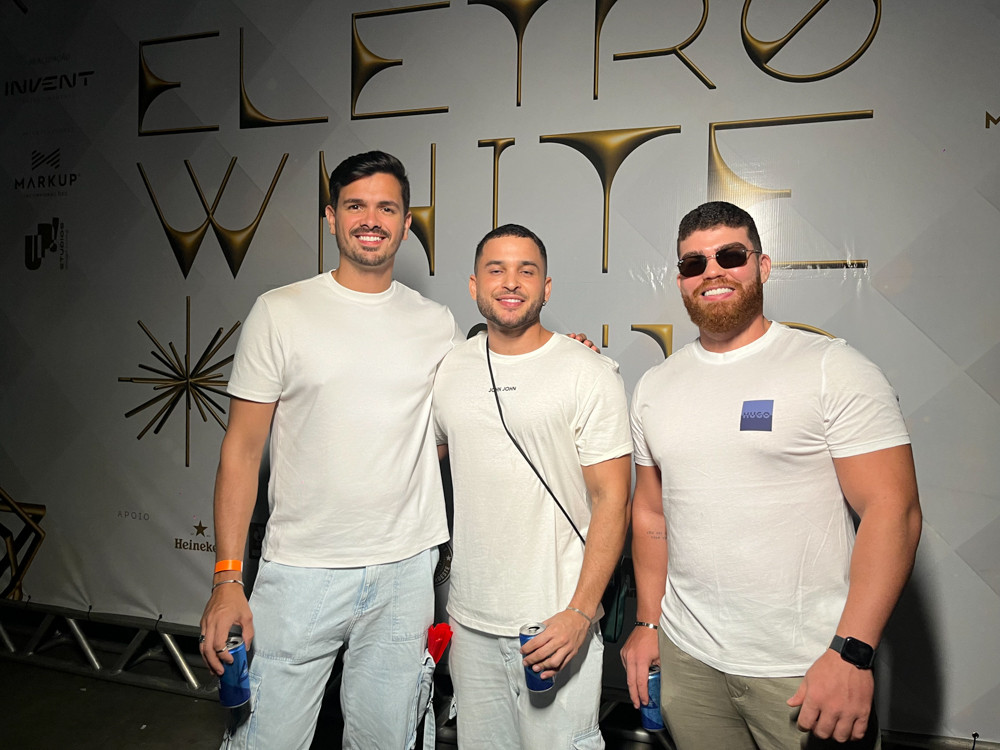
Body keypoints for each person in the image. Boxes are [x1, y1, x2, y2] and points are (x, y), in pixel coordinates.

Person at [621, 201, 922, 749]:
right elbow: (650, 512)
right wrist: (647, 623)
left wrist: (852, 652)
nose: (712, 271)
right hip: (689, 661)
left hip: (807, 669)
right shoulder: (654, 387)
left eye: (730, 256)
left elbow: (893, 511)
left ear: (762, 266)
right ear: (681, 279)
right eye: (693, 263)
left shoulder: (832, 368)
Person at [197, 151, 461, 749]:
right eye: (355, 205)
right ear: (331, 217)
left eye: (386, 208)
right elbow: (241, 451)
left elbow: (453, 428)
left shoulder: (437, 322)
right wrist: (227, 579)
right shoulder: (280, 311)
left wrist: (560, 359)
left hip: (405, 570)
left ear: (407, 223)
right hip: (301, 569)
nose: (371, 219)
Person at [432, 223, 633, 748]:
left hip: (556, 622)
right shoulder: (448, 369)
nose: (510, 282)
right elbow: (413, 466)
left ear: (546, 288)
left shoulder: (588, 372)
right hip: (470, 624)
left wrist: (580, 614)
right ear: (474, 285)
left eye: (526, 271)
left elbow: (613, 499)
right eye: (495, 270)